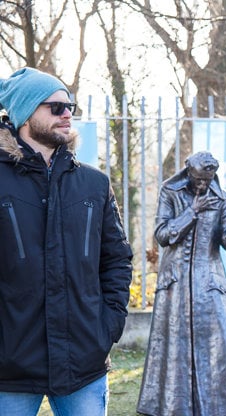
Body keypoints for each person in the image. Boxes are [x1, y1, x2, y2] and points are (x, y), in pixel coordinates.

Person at [0, 67, 133, 415]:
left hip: (83, 365)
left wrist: (108, 326)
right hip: (8, 369)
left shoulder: (94, 184)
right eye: (55, 107)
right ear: (25, 114)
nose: (67, 114)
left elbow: (116, 260)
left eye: (70, 105)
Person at [137, 151, 226, 416]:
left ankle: (220, 408)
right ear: (189, 173)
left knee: (220, 346)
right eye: (199, 179)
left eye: (208, 179)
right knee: (175, 348)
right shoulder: (170, 192)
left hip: (211, 284)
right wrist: (191, 213)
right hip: (176, 283)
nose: (203, 185)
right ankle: (173, 407)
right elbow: (161, 235)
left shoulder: (221, 199)